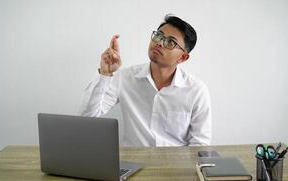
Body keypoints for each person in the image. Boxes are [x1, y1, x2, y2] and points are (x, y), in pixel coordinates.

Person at [81, 14, 211, 146]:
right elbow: (88, 115)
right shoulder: (125, 77)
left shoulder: (196, 90)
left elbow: (200, 143)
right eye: (159, 36)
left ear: (182, 57)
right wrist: (105, 74)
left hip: (175, 163)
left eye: (170, 42)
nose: (159, 43)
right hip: (133, 163)